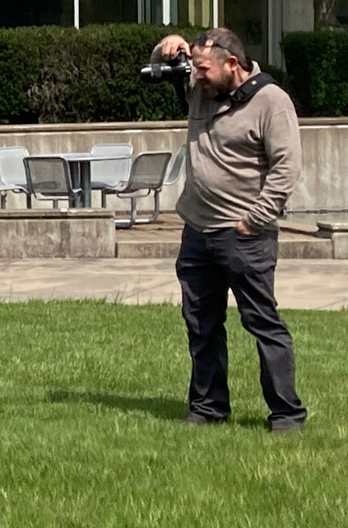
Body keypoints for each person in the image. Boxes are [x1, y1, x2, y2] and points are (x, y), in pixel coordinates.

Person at [151, 29, 308, 433]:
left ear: (232, 65)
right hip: (197, 231)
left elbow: (286, 169)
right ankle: (208, 409)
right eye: (194, 69)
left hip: (244, 235)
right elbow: (161, 66)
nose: (195, 77)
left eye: (202, 69)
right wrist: (166, 45)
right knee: (201, 324)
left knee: (262, 324)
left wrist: (252, 220)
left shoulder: (271, 102)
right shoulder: (202, 87)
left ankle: (286, 414)